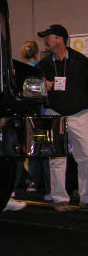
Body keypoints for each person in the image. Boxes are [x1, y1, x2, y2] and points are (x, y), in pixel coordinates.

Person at [36, 24, 88, 212]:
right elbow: (33, 88)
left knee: (86, 156)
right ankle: (59, 198)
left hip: (79, 114)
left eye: (48, 37)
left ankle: (86, 197)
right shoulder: (44, 64)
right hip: (54, 113)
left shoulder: (80, 61)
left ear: (59, 39)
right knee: (56, 157)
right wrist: (44, 86)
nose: (45, 40)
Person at [21, 40, 51, 200]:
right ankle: (48, 188)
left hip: (32, 116)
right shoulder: (42, 68)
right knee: (45, 152)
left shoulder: (24, 71)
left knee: (32, 151)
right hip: (43, 114)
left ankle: (32, 183)